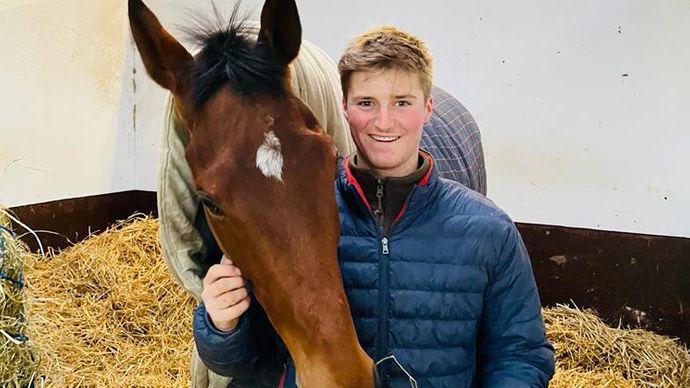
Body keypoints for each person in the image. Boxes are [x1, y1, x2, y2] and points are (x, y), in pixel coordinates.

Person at [191, 25, 554, 387]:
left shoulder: (489, 231)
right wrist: (223, 327)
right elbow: (258, 358)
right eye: (366, 103)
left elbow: (520, 354)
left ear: (428, 108)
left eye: (402, 102)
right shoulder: (299, 214)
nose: (384, 122)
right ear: (345, 109)